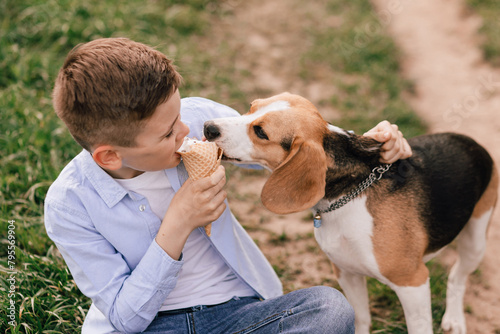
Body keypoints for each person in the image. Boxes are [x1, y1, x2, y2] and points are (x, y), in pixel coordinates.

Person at [44, 38, 412, 334]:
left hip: (239, 316)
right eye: (168, 131)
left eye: (179, 115)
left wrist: (369, 146)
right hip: (152, 327)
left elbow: (280, 145)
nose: (186, 130)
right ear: (109, 157)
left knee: (328, 310)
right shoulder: (69, 205)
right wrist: (177, 225)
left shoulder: (195, 117)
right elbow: (127, 318)